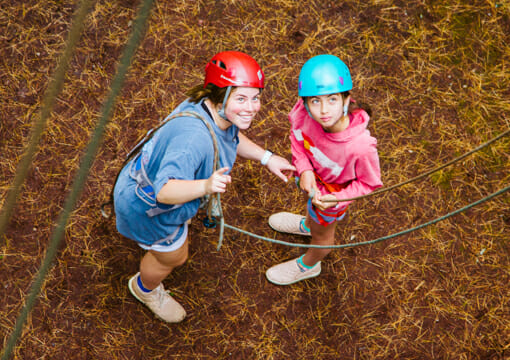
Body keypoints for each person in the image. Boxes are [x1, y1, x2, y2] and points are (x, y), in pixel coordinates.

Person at [113, 51, 295, 322]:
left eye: (255, 97)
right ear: (220, 96)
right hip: (147, 206)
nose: (252, 107)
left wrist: (266, 158)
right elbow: (164, 191)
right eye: (241, 98)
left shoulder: (206, 109)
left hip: (137, 181)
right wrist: (206, 185)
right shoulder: (192, 141)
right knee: (174, 257)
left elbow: (229, 136)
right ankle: (144, 289)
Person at [265, 54, 382, 285]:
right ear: (306, 102)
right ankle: (307, 225)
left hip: (331, 197)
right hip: (313, 183)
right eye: (315, 101)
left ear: (347, 99)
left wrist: (336, 199)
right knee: (314, 218)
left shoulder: (360, 147)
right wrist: (305, 169)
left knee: (323, 235)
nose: (323, 110)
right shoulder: (303, 115)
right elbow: (297, 138)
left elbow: (369, 184)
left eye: (332, 99)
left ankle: (309, 264)